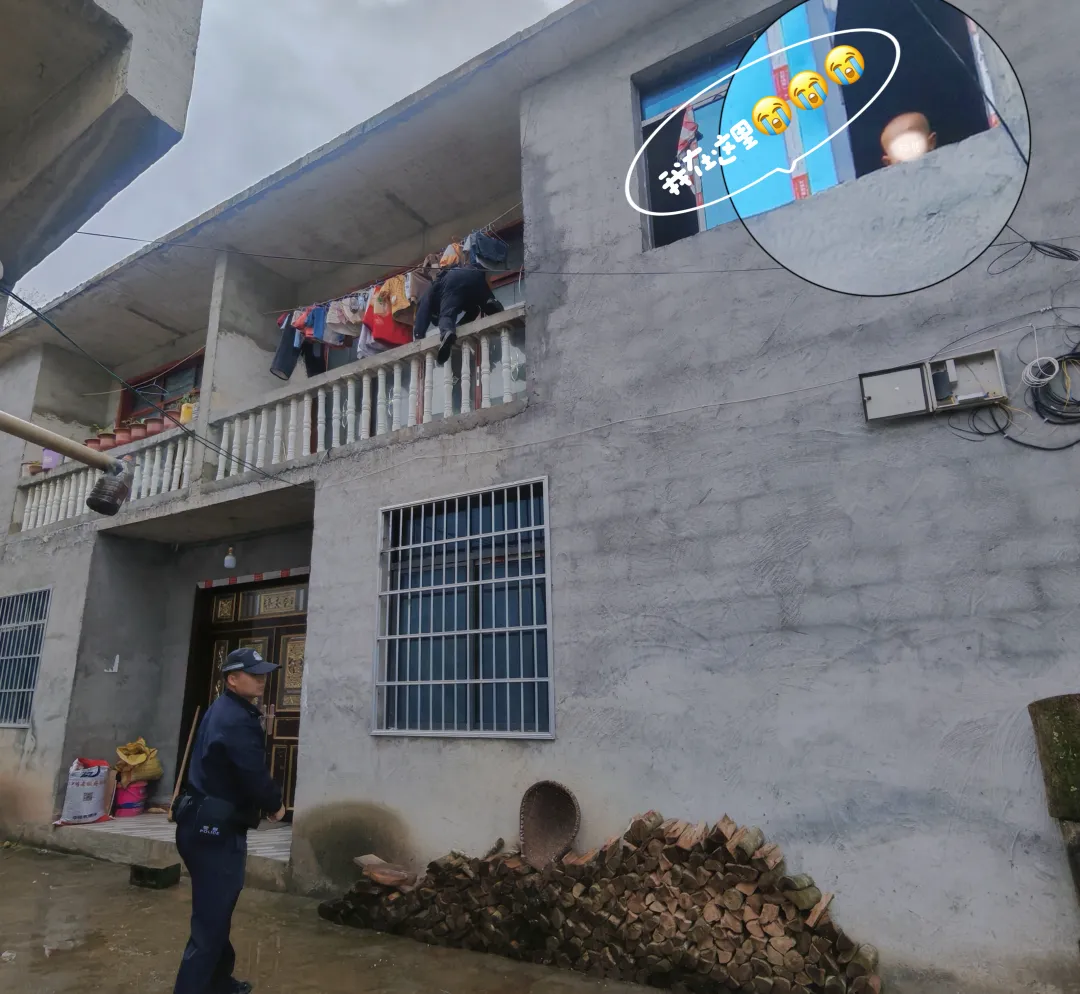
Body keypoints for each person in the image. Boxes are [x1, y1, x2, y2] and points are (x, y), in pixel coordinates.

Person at [172, 647, 287, 994]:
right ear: (232, 679)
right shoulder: (236, 719)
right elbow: (251, 772)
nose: (262, 680)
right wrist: (275, 804)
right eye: (254, 674)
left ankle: (218, 983)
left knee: (216, 913)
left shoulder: (224, 709)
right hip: (214, 832)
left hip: (202, 823)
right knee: (209, 924)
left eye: (263, 674)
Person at [412, 260, 505, 366]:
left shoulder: (430, 293)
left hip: (453, 279)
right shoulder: (457, 297)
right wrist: (460, 325)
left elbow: (422, 313)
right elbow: (474, 311)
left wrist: (418, 336)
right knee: (481, 302)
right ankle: (490, 302)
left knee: (446, 315)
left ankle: (446, 332)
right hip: (474, 275)